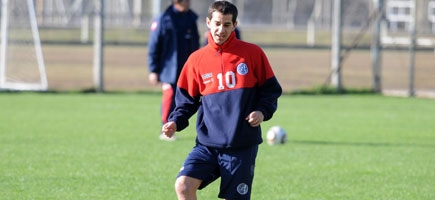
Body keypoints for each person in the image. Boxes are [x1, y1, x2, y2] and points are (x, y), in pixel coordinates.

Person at [161, 1, 282, 199]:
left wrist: (262, 111)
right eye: (217, 23)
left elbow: (271, 90)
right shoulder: (196, 60)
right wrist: (175, 121)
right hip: (207, 144)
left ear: (235, 25)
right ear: (208, 22)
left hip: (240, 144)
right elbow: (186, 101)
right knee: (183, 185)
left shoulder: (252, 54)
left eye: (227, 24)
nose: (221, 29)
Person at [147, 0, 200, 141]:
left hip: (188, 68)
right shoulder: (163, 19)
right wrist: (153, 70)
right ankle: (165, 128)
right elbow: (154, 45)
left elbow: (195, 43)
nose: (190, 2)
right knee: (170, 96)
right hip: (169, 68)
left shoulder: (191, 18)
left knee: (187, 99)